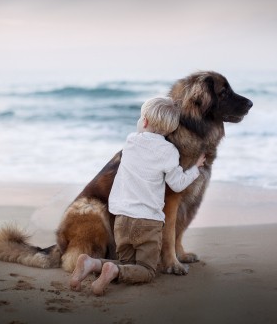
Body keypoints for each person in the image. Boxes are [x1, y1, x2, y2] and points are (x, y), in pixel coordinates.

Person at [69, 96, 206, 295]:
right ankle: (111, 270)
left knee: (127, 262)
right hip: (147, 222)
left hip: (122, 219)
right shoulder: (169, 152)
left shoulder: (131, 141)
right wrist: (195, 169)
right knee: (147, 269)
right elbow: (176, 185)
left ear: (144, 122)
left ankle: (92, 263)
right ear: (170, 130)